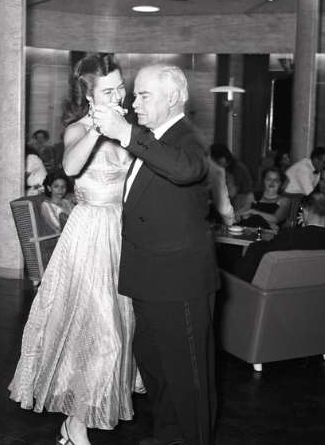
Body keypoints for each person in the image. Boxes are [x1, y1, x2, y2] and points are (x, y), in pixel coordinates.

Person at [9, 53, 135, 445]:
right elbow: (71, 166)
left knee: (119, 328)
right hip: (90, 235)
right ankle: (76, 423)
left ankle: (78, 416)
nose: (118, 96)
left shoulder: (129, 127)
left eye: (120, 87)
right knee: (100, 331)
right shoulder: (78, 129)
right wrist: (98, 126)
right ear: (89, 96)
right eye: (108, 91)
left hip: (124, 233)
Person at [93, 64, 218, 445]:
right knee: (157, 369)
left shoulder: (188, 138)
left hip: (179, 282)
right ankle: (168, 437)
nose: (134, 103)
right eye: (135, 95)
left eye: (144, 95)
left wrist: (126, 133)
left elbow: (187, 169)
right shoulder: (153, 138)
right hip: (148, 276)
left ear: (174, 97)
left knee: (188, 378)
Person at [232, 192, 325, 282]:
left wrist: (256, 245)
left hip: (277, 291)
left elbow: (266, 257)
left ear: (305, 211)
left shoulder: (291, 235)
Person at [210, 143, 253, 212]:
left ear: (224, 157)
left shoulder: (237, 168)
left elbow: (232, 193)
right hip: (231, 197)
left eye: (217, 160)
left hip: (241, 199)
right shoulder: (223, 168)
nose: (215, 163)